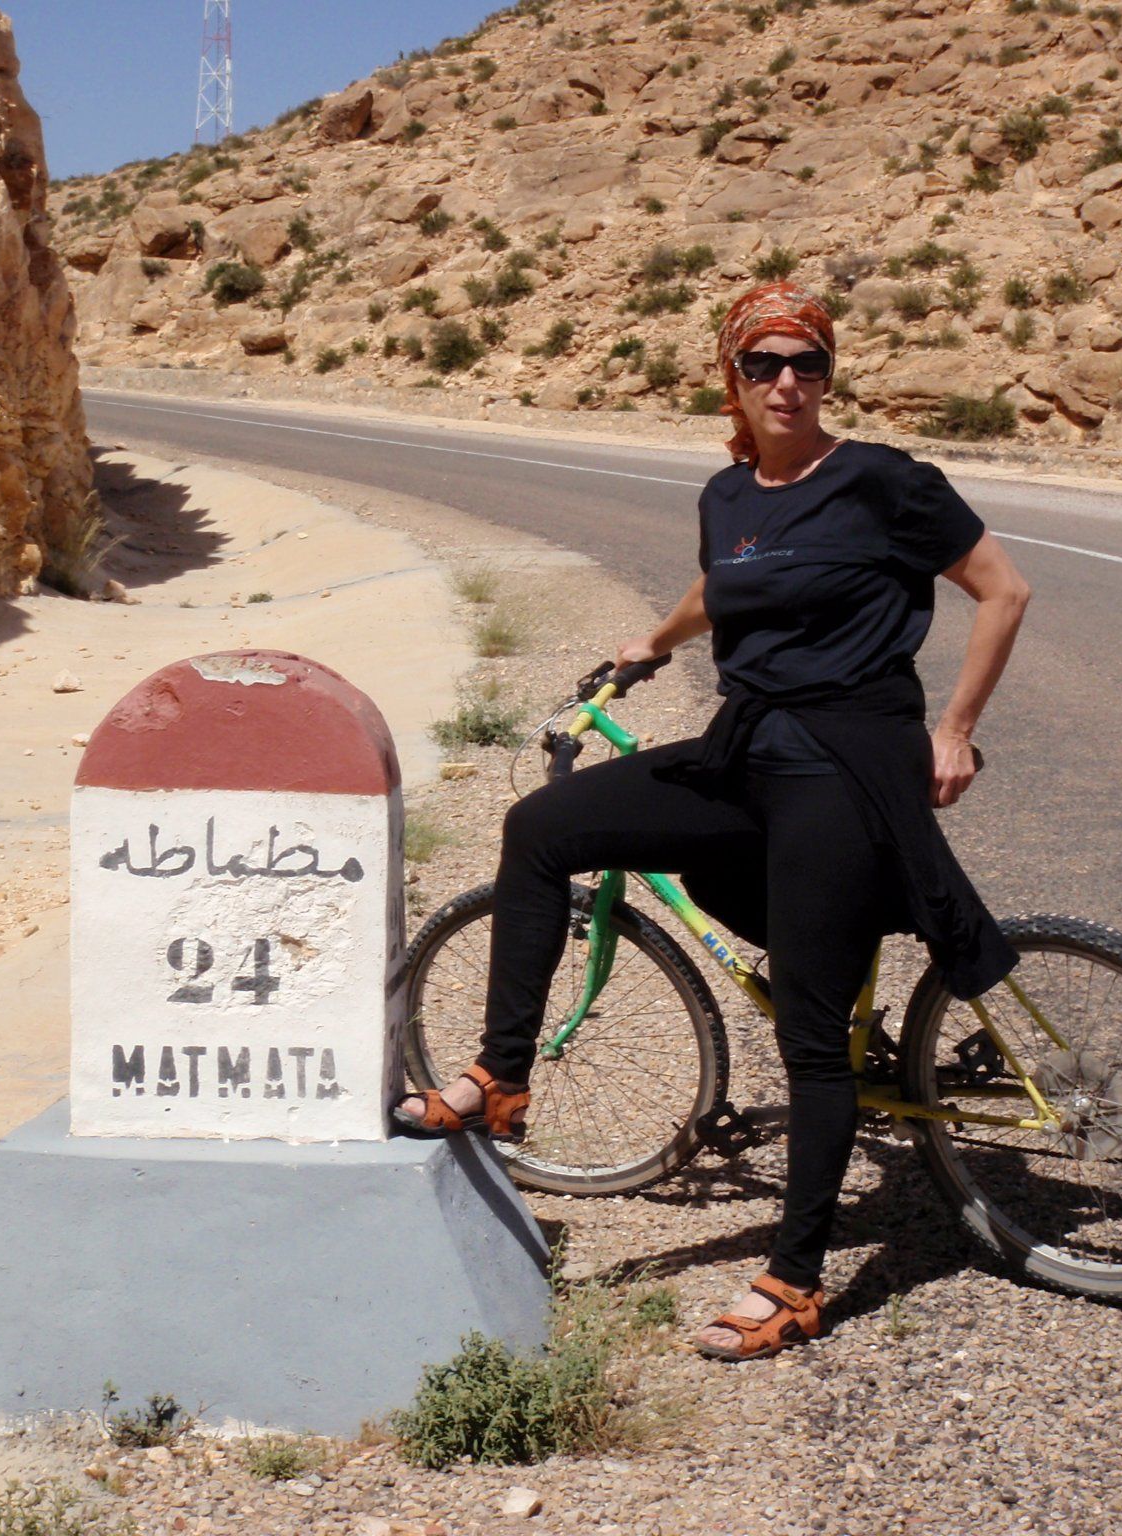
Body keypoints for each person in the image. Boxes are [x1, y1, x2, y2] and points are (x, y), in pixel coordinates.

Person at [394, 280, 1032, 1361]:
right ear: (729, 378)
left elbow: (1001, 590)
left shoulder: (883, 482)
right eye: (763, 365)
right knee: (541, 829)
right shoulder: (727, 496)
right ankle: (503, 1077)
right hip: (750, 748)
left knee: (808, 1042)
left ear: (828, 375)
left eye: (808, 364)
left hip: (845, 756)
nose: (788, 383)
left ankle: (793, 1281)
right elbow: (725, 580)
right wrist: (653, 641)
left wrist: (955, 728)